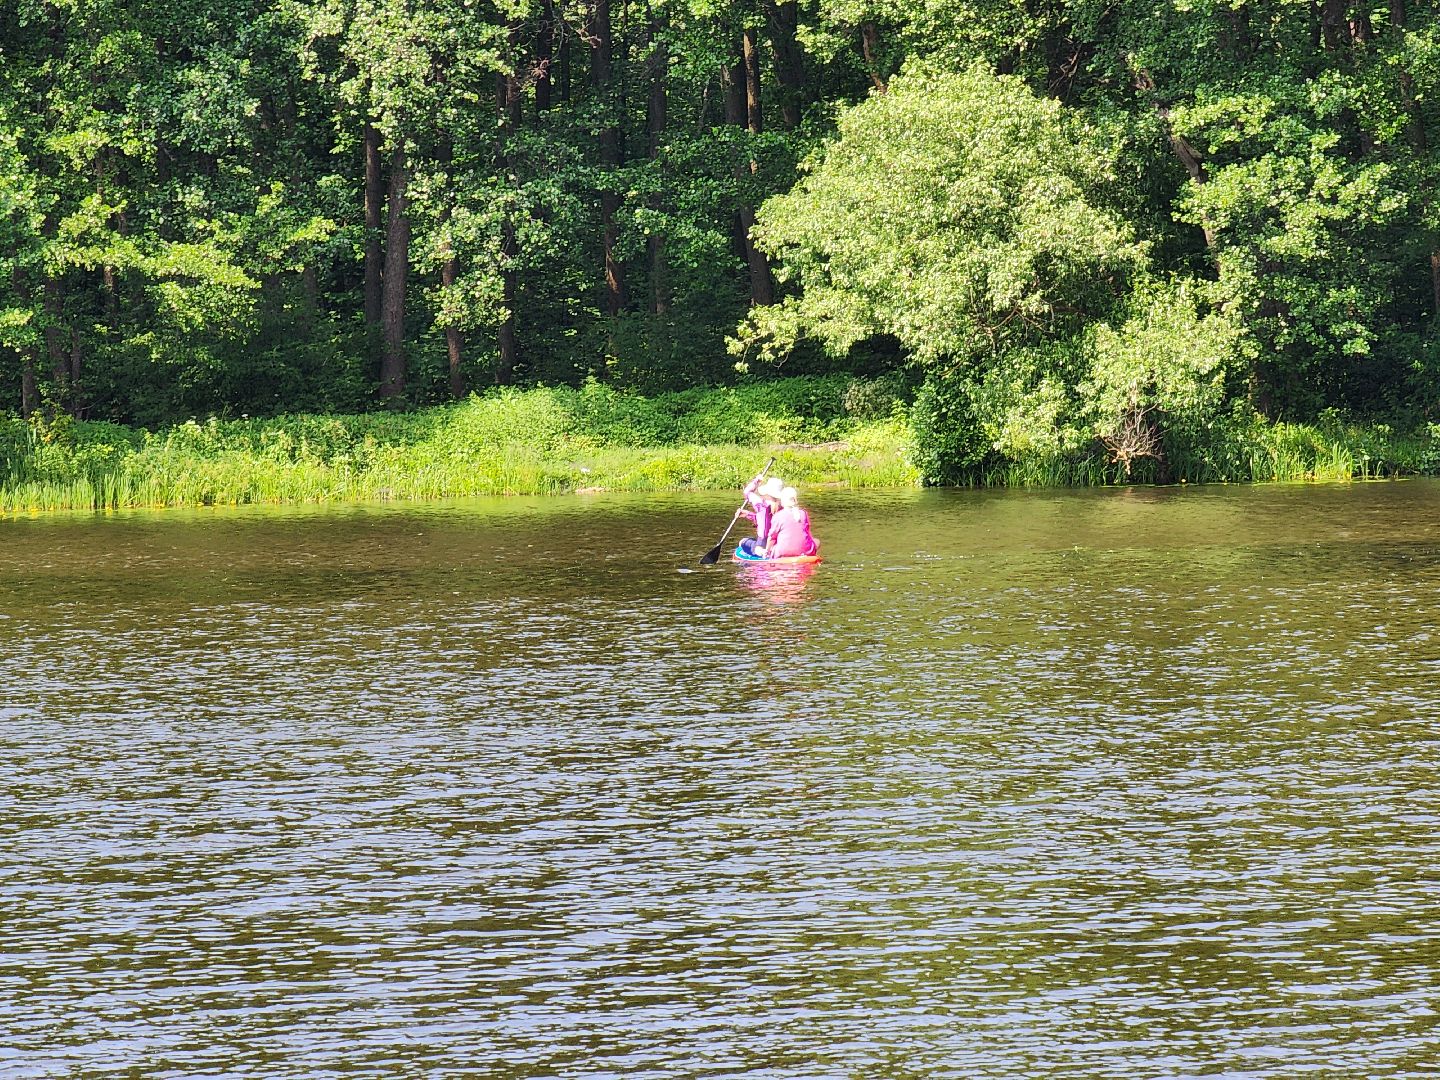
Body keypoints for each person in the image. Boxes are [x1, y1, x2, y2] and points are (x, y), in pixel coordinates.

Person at [763, 485, 820, 558]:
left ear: (783, 501)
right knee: (817, 541)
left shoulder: (778, 516)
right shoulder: (803, 513)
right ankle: (806, 552)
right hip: (806, 551)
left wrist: (767, 550)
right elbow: (808, 533)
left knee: (772, 547)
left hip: (783, 552)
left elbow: (772, 537)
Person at [737, 475, 784, 557]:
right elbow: (763, 519)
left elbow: (747, 492)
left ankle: (760, 551)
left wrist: (756, 481)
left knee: (742, 542)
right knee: (753, 540)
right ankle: (768, 550)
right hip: (779, 540)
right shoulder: (784, 506)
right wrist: (747, 514)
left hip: (763, 540)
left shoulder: (760, 504)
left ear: (767, 492)